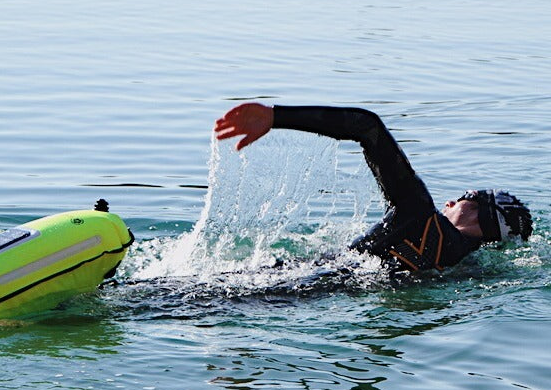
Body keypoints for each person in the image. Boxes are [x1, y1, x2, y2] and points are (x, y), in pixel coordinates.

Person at [214, 102, 532, 274]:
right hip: (319, 300)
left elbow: (368, 126)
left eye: (465, 197)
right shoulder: (467, 269)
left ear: (476, 212)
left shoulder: (418, 213)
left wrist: (276, 117)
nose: (450, 200)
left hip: (288, 282)